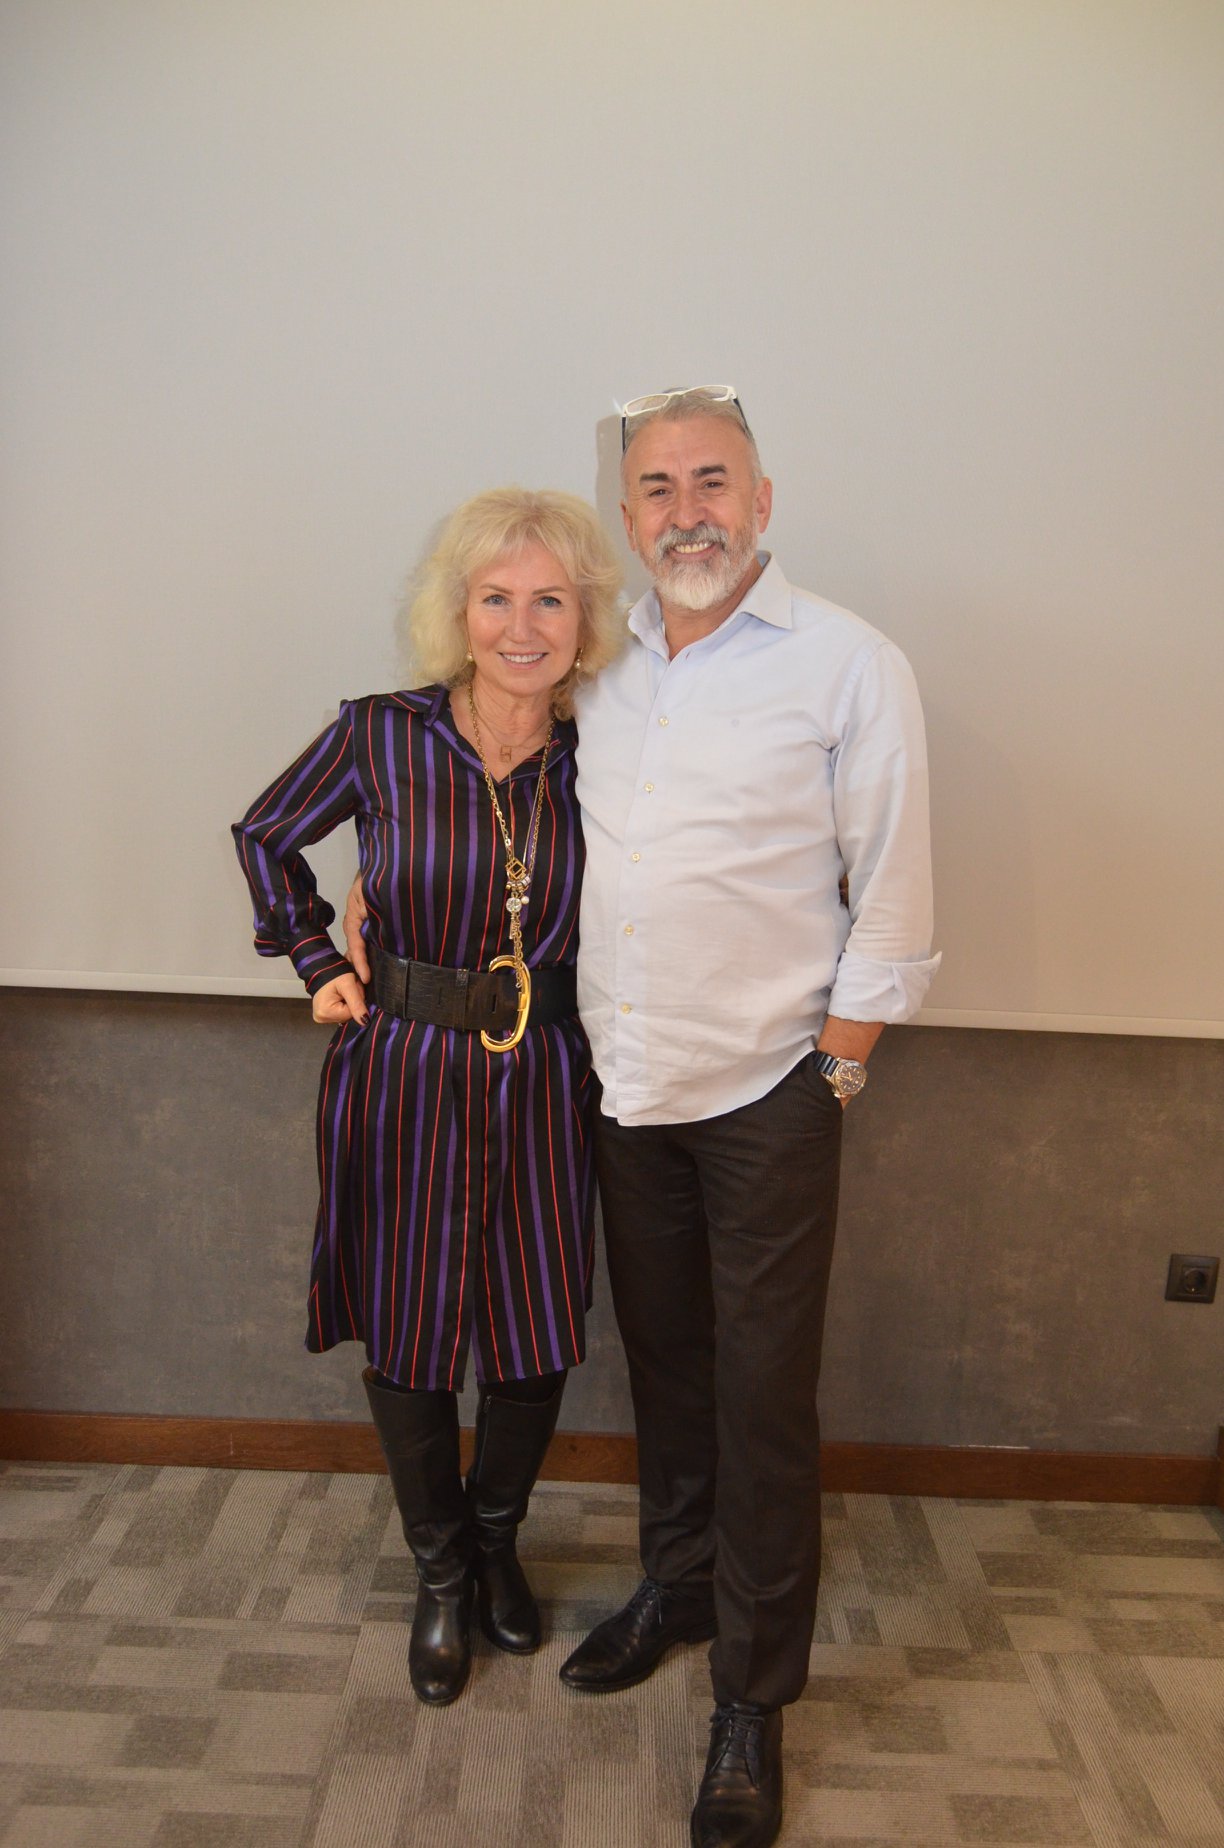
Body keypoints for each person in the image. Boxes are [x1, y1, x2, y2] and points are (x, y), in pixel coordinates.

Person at [560, 387, 939, 1848]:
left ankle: (753, 1696)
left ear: (763, 500)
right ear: (628, 516)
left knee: (765, 1397)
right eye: (657, 488)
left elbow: (894, 890)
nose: (687, 511)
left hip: (774, 1087)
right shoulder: (602, 661)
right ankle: (677, 1584)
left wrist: (833, 1070)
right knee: (666, 1362)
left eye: (712, 480)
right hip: (627, 1081)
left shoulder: (849, 663)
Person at [233, 487, 623, 1707]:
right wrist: (318, 959)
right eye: (496, 598)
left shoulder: (612, 748)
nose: (522, 626)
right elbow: (265, 835)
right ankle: (443, 1572)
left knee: (535, 1316)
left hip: (548, 1068)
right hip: (402, 1062)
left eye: (549, 600)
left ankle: (498, 1541)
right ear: (457, 612)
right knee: (408, 1317)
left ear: (585, 619)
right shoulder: (380, 733)